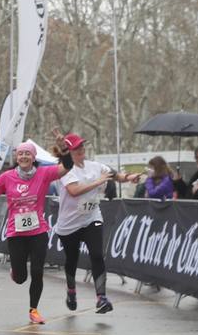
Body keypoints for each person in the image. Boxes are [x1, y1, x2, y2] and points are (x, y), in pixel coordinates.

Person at [0, 141, 67, 324]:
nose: (24, 157)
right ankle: (15, 271)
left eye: (28, 154)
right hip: (16, 233)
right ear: (17, 157)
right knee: (20, 278)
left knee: (37, 271)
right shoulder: (7, 177)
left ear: (34, 158)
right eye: (21, 154)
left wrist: (64, 149)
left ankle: (34, 310)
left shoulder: (43, 173)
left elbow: (67, 167)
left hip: (38, 230)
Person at [51, 133, 141, 313]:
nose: (81, 150)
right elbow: (74, 191)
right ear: (69, 151)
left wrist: (129, 177)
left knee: (97, 255)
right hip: (69, 224)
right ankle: (71, 290)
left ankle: (101, 298)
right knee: (72, 259)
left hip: (92, 218)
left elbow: (114, 175)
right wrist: (97, 182)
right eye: (77, 148)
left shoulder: (94, 166)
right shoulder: (64, 169)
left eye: (83, 146)